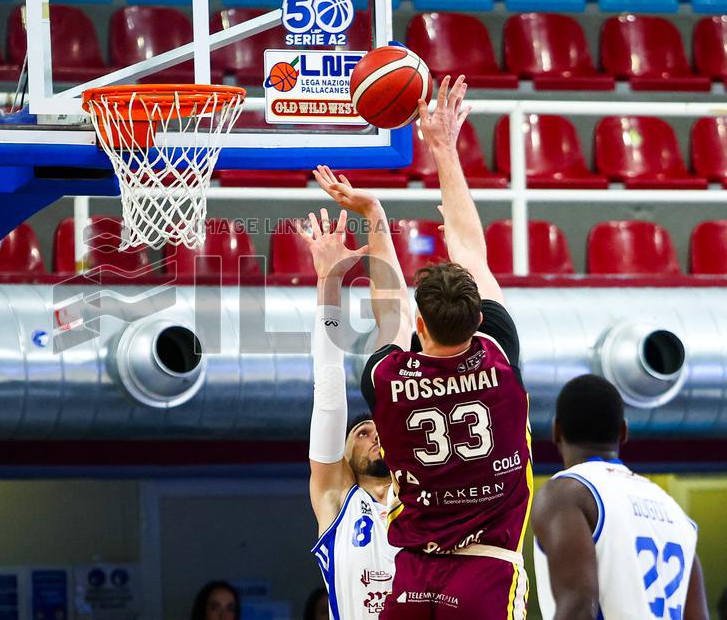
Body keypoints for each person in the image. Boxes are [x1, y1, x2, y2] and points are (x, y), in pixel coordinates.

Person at [315, 74, 532, 619]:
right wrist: (443, 148)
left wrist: (375, 218)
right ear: (479, 319)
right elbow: (468, 247)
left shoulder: (390, 379)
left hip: (412, 576)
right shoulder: (499, 359)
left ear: (421, 324)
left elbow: (387, 307)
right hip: (486, 569)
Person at [531, 374, 708, 620]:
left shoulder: (566, 493)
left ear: (556, 430)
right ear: (623, 431)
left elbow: (579, 606)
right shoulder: (674, 511)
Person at [301, 209, 399, 618]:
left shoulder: (420, 495)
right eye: (361, 432)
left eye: (379, 429)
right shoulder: (336, 497)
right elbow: (328, 394)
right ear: (341, 457)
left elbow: (400, 336)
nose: (374, 435)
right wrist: (330, 282)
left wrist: (376, 217)